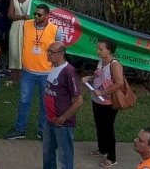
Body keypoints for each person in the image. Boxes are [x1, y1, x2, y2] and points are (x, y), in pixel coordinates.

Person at [6, 4, 63, 141]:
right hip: (28, 72)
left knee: (45, 104)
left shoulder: (55, 30)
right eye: (35, 14)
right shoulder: (27, 25)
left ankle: (42, 131)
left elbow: (60, 51)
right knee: (24, 101)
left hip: (46, 73)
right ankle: (20, 129)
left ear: (47, 16)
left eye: (39, 14)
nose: (36, 16)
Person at [83, 39, 125, 167]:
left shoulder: (114, 64)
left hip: (108, 103)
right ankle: (102, 150)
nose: (98, 51)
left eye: (101, 49)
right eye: (98, 49)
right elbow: (99, 75)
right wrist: (89, 78)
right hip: (97, 100)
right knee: (99, 126)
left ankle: (112, 158)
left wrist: (103, 92)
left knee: (107, 128)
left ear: (109, 50)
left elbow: (119, 83)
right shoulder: (101, 61)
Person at [42, 41, 83, 169]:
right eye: (47, 51)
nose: (48, 54)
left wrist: (63, 118)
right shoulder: (53, 67)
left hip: (62, 124)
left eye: (51, 52)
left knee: (65, 157)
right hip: (49, 120)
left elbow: (79, 100)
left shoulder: (68, 71)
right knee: (47, 154)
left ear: (61, 54)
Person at [7, 0, 37, 84]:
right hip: (15, 27)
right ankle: (15, 78)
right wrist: (22, 17)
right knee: (14, 51)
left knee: (26, 51)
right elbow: (10, 15)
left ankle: (27, 78)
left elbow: (38, 13)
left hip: (30, 28)